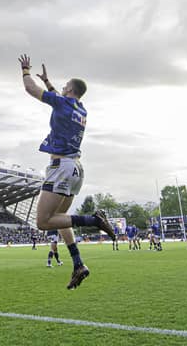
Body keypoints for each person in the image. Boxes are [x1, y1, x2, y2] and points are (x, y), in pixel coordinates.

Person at [19, 54, 116, 290]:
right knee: (62, 220)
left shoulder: (62, 103)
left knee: (43, 222)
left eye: (64, 87)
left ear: (70, 89)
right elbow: (62, 100)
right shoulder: (81, 110)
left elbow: (30, 89)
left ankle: (94, 219)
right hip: (76, 169)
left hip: (61, 166)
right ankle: (78, 264)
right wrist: (49, 82)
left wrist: (26, 71)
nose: (60, 89)